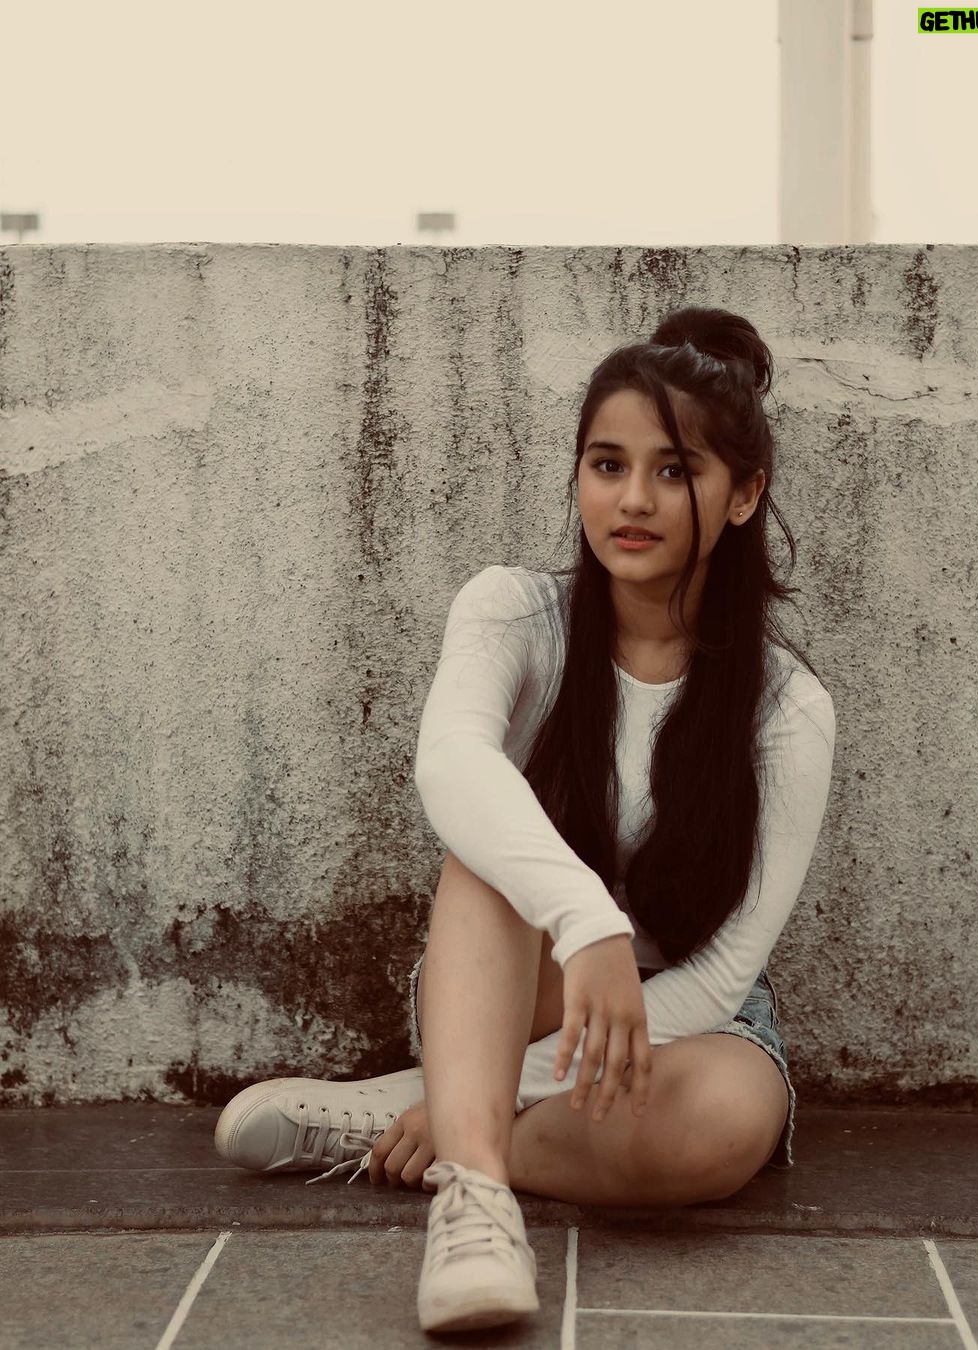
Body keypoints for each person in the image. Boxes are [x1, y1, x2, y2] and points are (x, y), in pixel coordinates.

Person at [214, 305, 836, 1335]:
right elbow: (451, 763)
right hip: (513, 984)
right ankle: (475, 1209)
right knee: (490, 847)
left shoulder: (787, 708)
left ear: (744, 494)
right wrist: (587, 923)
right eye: (607, 464)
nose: (632, 500)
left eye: (674, 471)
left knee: (726, 1126)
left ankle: (430, 1122)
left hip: (691, 1022)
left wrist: (498, 1092)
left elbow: (729, 974)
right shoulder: (513, 613)